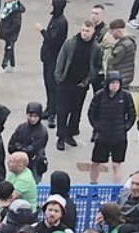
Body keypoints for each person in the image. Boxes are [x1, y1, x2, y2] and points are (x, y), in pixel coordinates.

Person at [53, 20, 102, 151]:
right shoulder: (70, 43)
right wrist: (59, 78)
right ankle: (61, 137)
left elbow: (96, 66)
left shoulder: (96, 48)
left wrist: (87, 81)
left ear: (93, 31)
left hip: (80, 86)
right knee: (62, 111)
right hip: (66, 83)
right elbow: (61, 59)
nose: (85, 33)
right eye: (83, 30)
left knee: (76, 111)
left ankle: (70, 134)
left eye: (87, 31)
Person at [87, 70, 135, 184]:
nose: (115, 85)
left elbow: (132, 115)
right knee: (95, 163)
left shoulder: (126, 96)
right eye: (112, 82)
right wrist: (97, 127)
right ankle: (93, 185)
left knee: (116, 164)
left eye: (117, 83)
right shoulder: (99, 95)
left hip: (119, 137)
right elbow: (91, 113)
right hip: (102, 136)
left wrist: (125, 127)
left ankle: (116, 188)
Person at [37, 0, 68, 128]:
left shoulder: (61, 22)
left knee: (52, 86)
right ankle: (49, 108)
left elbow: (52, 40)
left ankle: (52, 113)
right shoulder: (56, 19)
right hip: (48, 58)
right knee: (48, 85)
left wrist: (42, 30)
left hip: (53, 59)